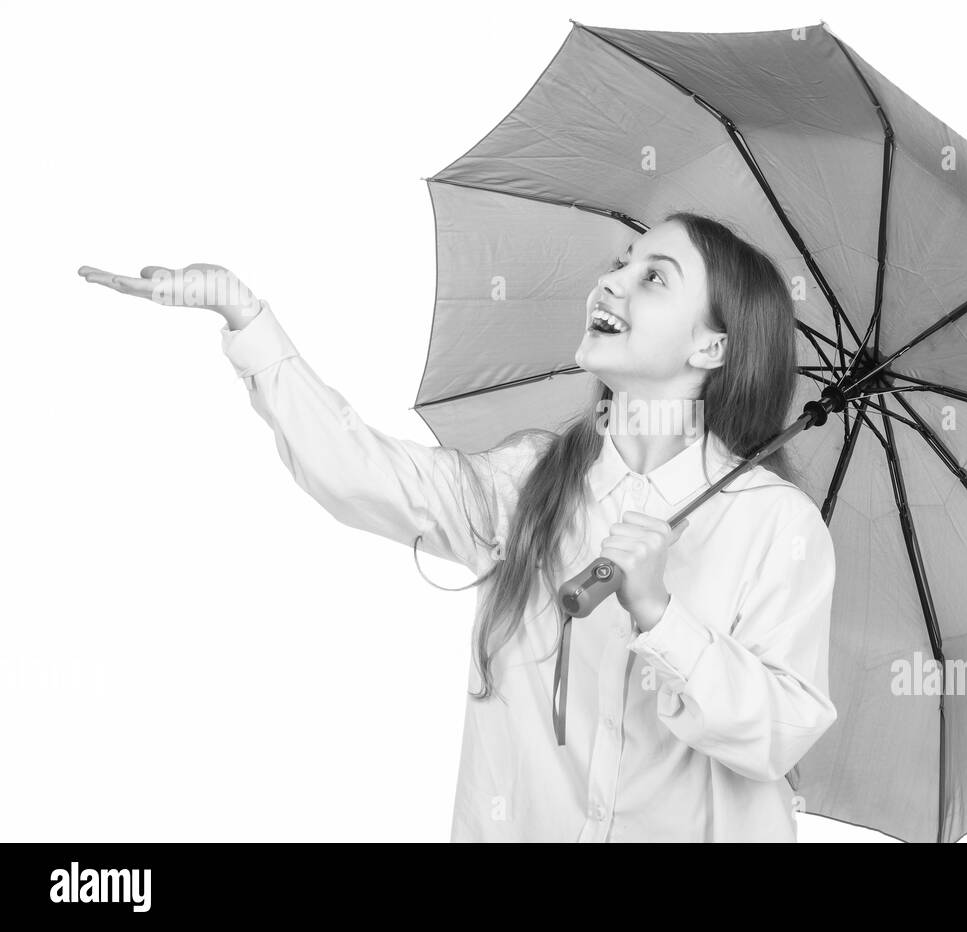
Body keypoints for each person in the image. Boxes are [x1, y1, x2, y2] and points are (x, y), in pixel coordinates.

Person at [77, 210, 838, 842]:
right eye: (622, 262)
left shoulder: (776, 526)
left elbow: (779, 733)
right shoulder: (528, 483)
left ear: (711, 346)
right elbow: (359, 472)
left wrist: (661, 615)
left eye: (653, 277)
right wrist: (248, 317)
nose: (611, 281)